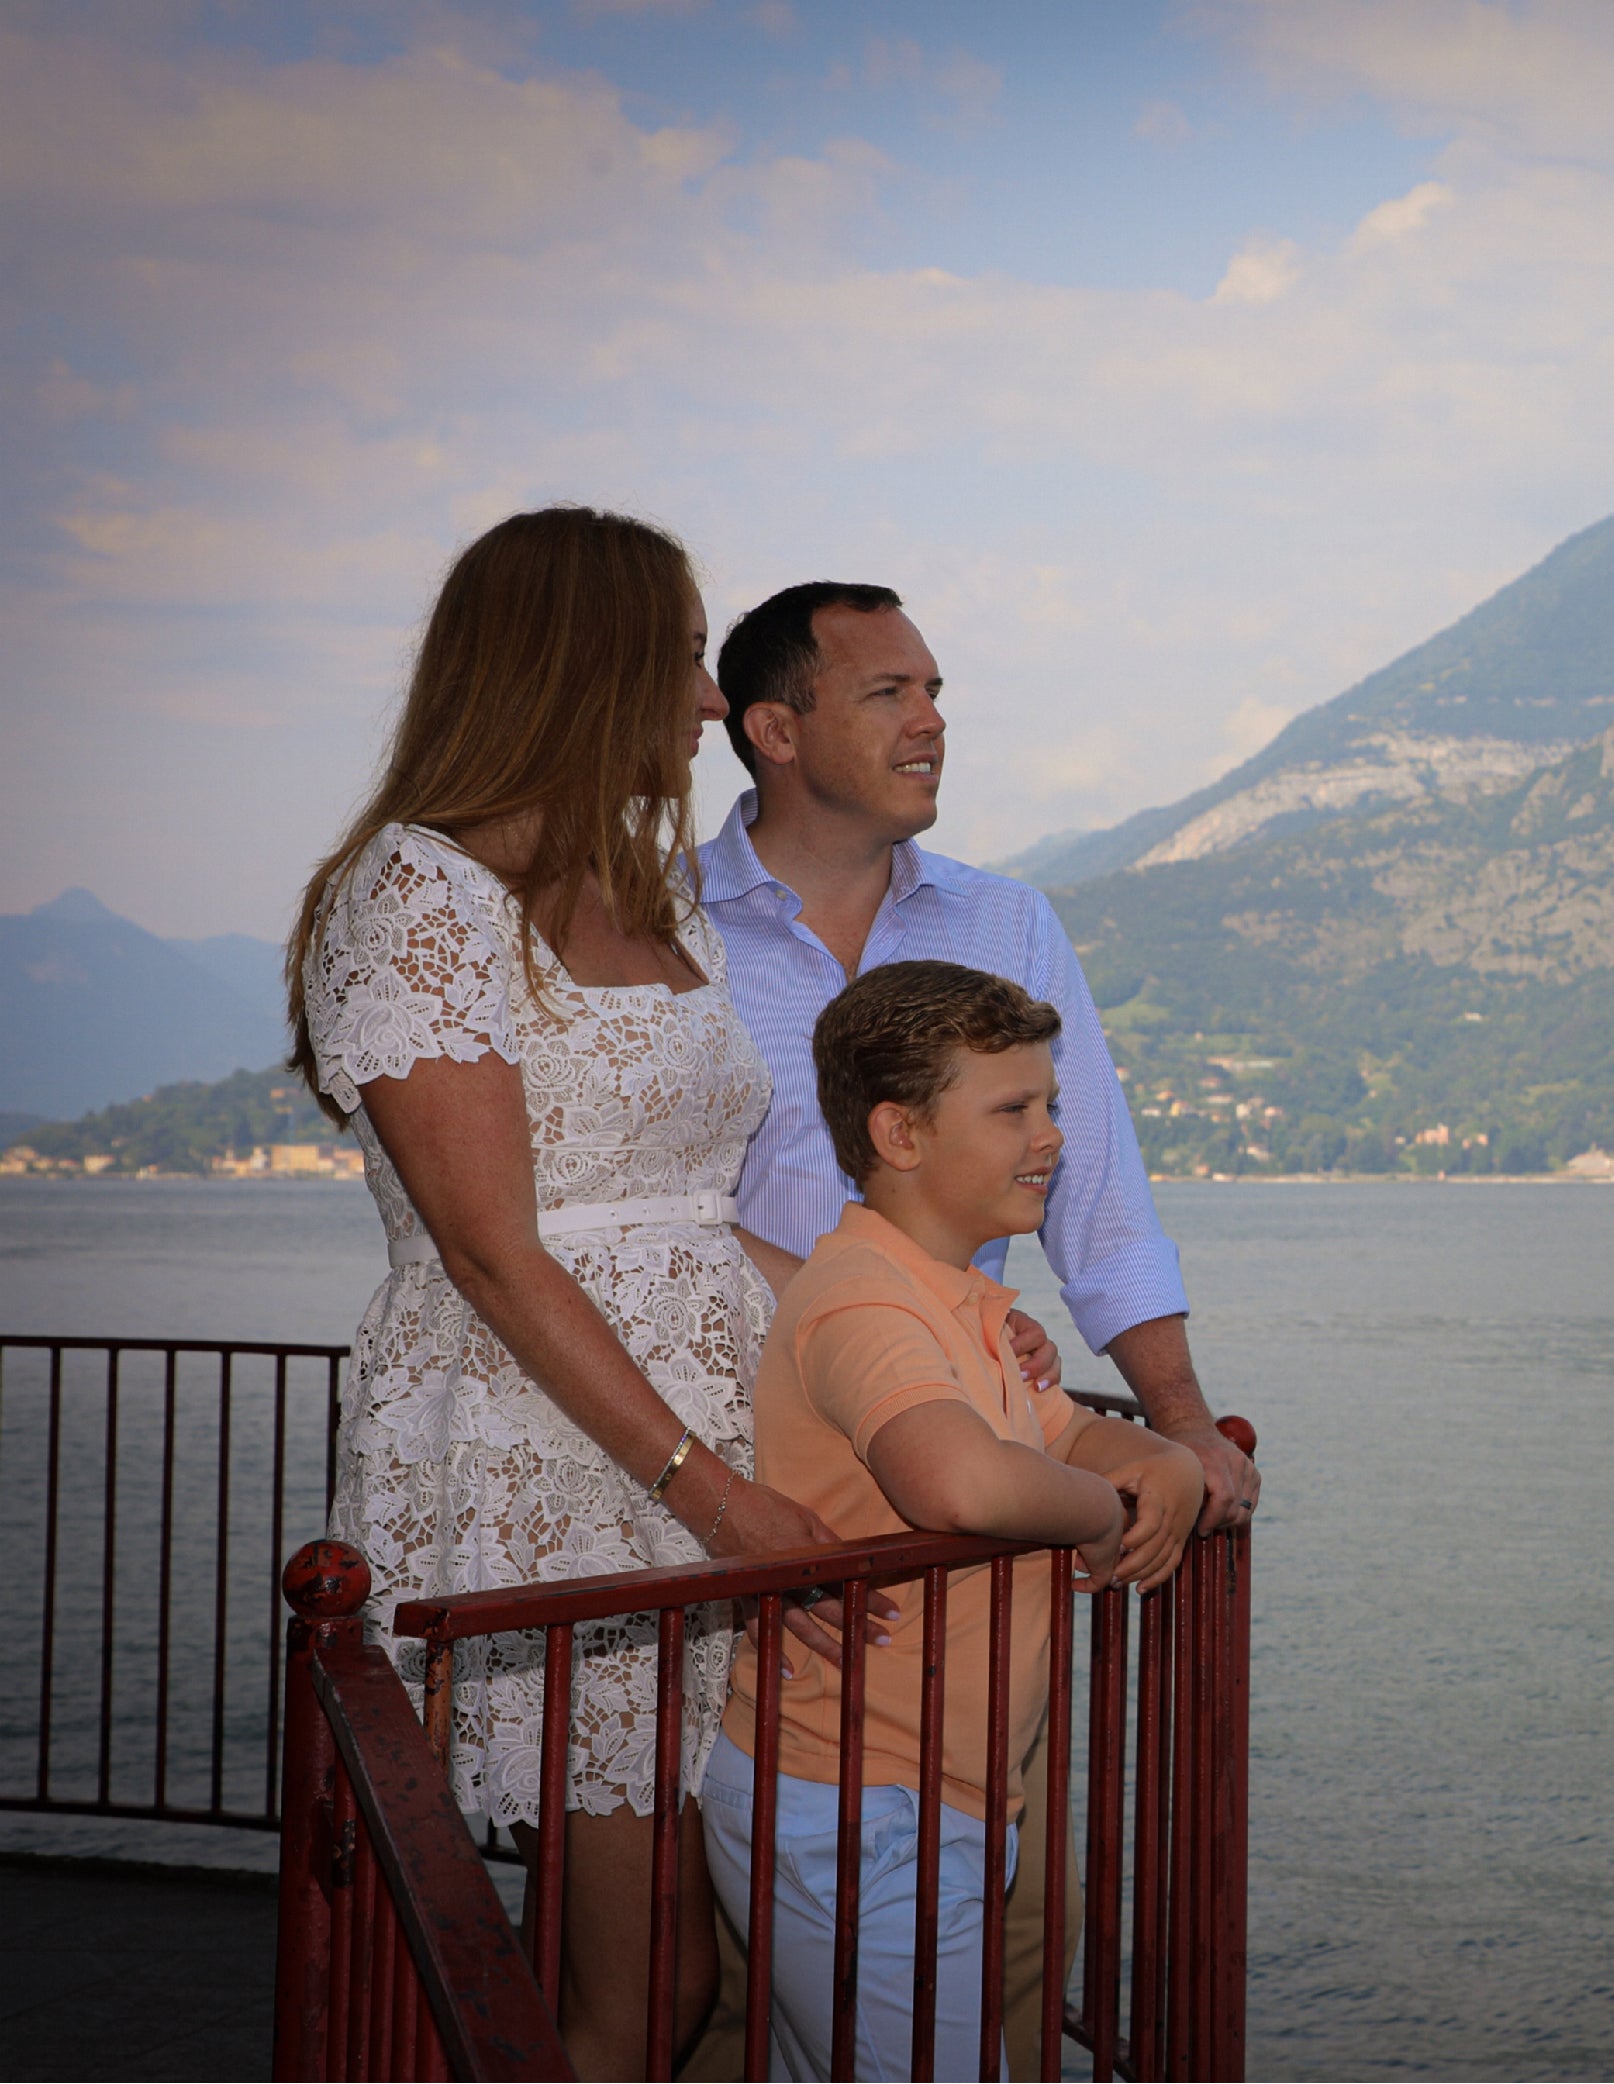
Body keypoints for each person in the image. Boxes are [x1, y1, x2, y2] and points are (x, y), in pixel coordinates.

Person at [287, 507, 875, 2076]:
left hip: (714, 1444)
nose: (702, 699)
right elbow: (491, 1248)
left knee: (683, 1962)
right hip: (565, 1458)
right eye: (680, 654)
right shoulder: (415, 894)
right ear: (577, 662)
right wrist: (701, 1492)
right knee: (645, 1974)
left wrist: (888, 1339)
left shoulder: (651, 889)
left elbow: (693, 1214)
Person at [703, 960, 1203, 2081]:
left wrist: (1158, 1457)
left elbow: (1063, 1434)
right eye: (1015, 1109)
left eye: (1052, 1106)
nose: (1052, 1138)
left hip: (914, 1793)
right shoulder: (865, 1300)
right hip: (856, 1801)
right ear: (901, 1132)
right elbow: (963, 1485)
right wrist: (1100, 1515)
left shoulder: (960, 1301)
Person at [695, 580, 1257, 1532]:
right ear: (776, 732)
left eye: (934, 690)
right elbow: (652, 1209)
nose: (933, 721)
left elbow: (1098, 1202)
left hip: (954, 1441)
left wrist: (1183, 1425)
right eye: (889, 694)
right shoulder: (657, 926)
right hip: (716, 1456)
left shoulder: (1008, 922)